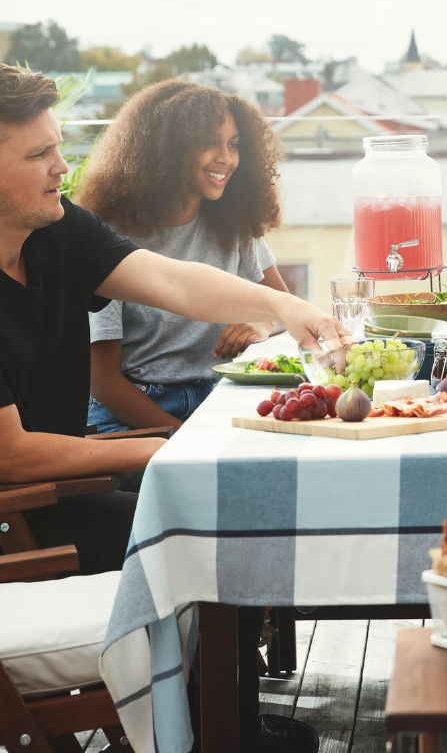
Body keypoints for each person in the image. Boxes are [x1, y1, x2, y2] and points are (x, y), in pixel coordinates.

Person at [0, 63, 344, 752]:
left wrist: (281, 304)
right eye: (39, 154)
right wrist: (162, 445)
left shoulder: (58, 233)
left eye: (59, 147)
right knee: (202, 534)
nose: (60, 167)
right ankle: (215, 733)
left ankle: (224, 726)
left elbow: (167, 278)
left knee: (217, 519)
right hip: (16, 521)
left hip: (50, 500)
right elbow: (10, 454)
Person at [73, 80, 288, 434]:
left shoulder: (233, 224)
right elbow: (104, 382)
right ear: (167, 151)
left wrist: (262, 323)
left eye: (233, 145)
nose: (226, 158)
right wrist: (184, 437)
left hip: (220, 395)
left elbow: (285, 307)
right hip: (137, 409)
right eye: (209, 144)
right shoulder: (109, 237)